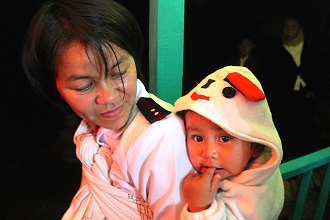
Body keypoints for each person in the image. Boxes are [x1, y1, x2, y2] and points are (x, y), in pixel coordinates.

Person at [21, 0, 192, 219]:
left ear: (134, 57)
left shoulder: (160, 137)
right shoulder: (94, 127)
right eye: (85, 86)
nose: (108, 97)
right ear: (54, 86)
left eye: (118, 72)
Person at [174, 66, 284, 219]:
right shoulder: (251, 167)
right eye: (198, 138)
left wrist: (200, 207)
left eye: (225, 138)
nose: (208, 153)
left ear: (256, 146)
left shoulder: (254, 198)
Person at [261, 13, 325, 161]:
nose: (289, 31)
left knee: (307, 134)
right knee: (287, 134)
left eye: (293, 27)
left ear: (300, 28)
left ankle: (307, 167)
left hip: (307, 99)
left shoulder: (311, 47)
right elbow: (269, 76)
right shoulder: (274, 49)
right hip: (284, 101)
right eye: (286, 27)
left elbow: (320, 71)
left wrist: (314, 91)